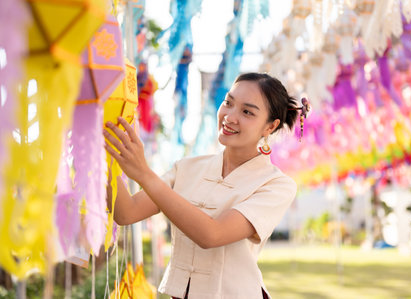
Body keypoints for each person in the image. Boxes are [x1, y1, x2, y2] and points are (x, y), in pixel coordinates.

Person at [103, 72, 309, 299]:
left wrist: (143, 174)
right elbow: (126, 212)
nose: (230, 116)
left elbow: (212, 235)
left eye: (247, 112)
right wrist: (101, 148)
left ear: (270, 127)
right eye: (228, 103)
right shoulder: (187, 167)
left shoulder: (277, 185)